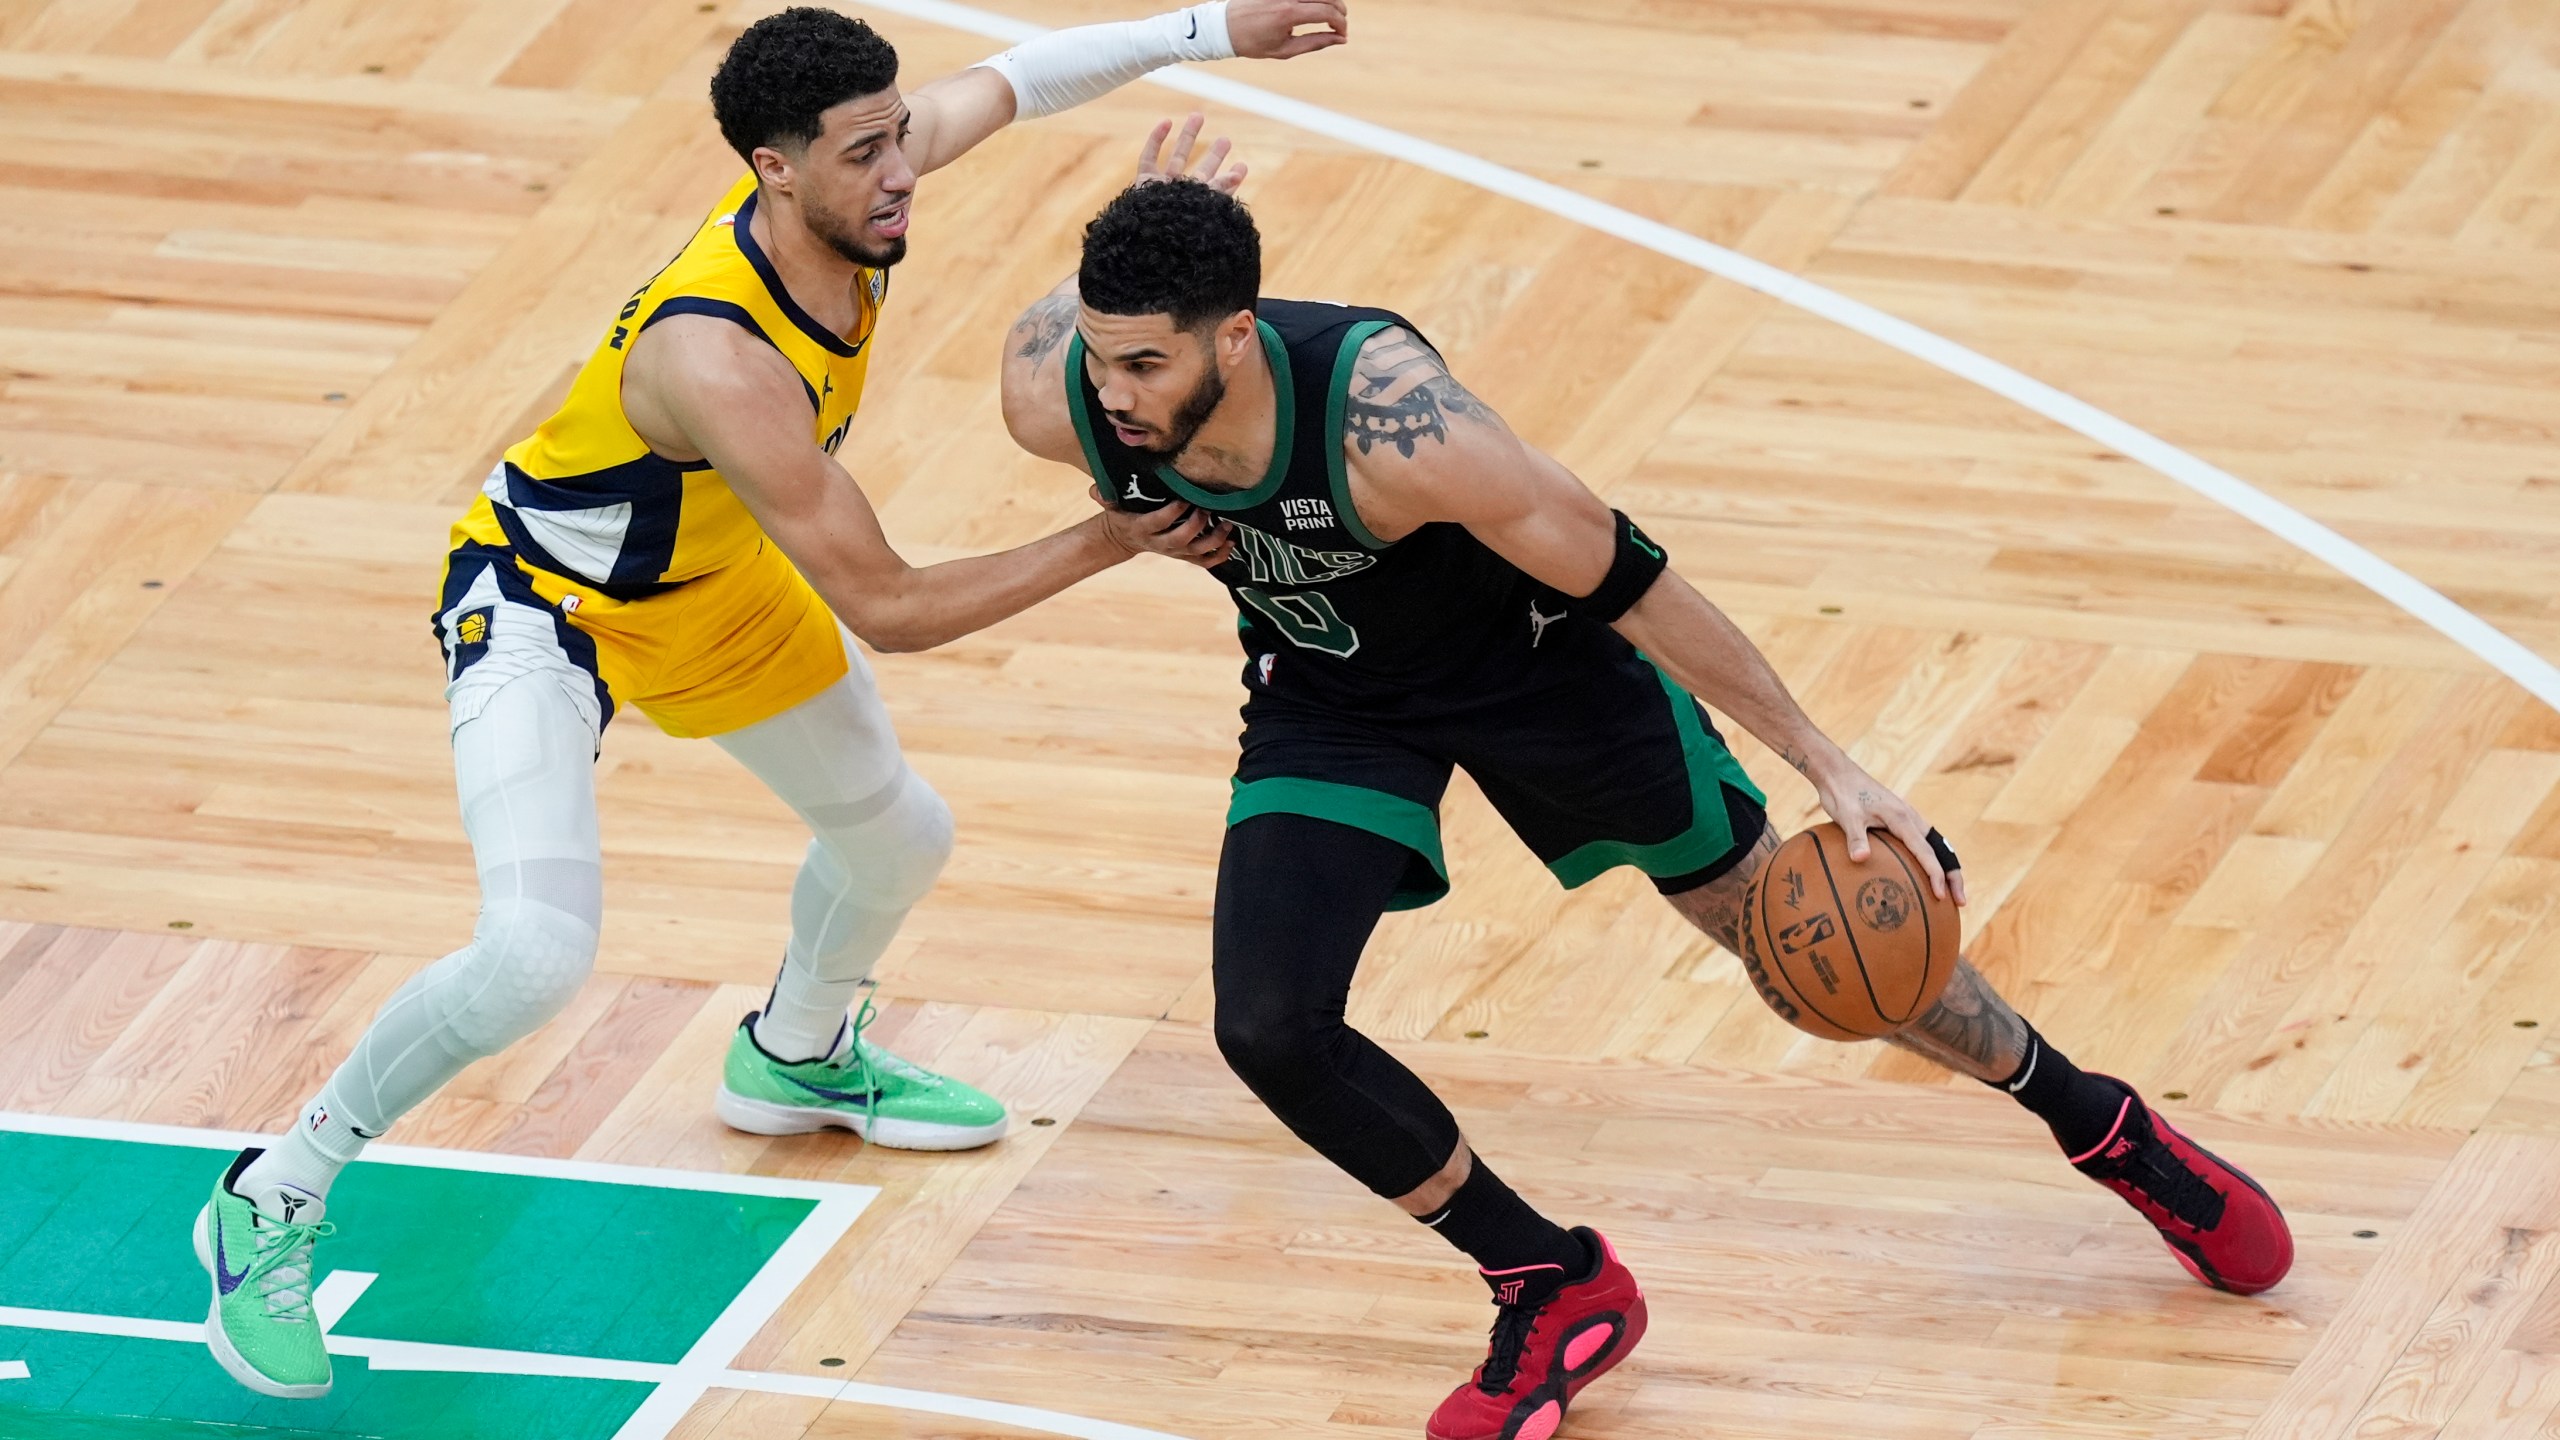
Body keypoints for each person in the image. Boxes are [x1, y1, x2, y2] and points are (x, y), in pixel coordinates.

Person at [997, 122, 2295, 1440]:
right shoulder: (1067, 396)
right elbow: (1021, 421)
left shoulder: (1405, 427)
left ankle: (2098, 1122)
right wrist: (1135, 239)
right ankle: (1555, 1288)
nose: (1112, 393)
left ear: (1234, 338)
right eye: (1101, 355)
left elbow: (1631, 576)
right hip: (1336, 698)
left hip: (1543, 677)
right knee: (1267, 1027)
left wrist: (1827, 761)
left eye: (1145, 361)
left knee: (1802, 947)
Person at [194, 4, 1348, 1401]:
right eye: (866, 154)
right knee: (534, 955)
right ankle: (274, 1188)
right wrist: (1108, 538)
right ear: (774, 169)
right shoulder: (717, 358)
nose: (902, 172)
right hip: (546, 609)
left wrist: (1217, 28)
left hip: (713, 584)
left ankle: (796, 1055)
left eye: (898, 138)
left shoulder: (870, 178)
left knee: (897, 839)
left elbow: (1022, 78)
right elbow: (895, 606)